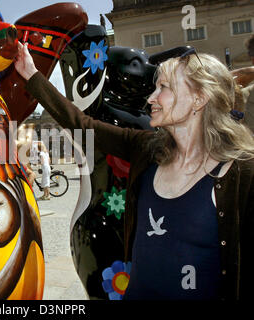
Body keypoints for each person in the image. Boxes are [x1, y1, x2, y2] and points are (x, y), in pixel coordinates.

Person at [14, 42, 254, 300]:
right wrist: (32, 75)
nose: (151, 98)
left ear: (199, 98)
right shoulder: (146, 148)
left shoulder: (242, 173)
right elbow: (81, 125)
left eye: (163, 88)